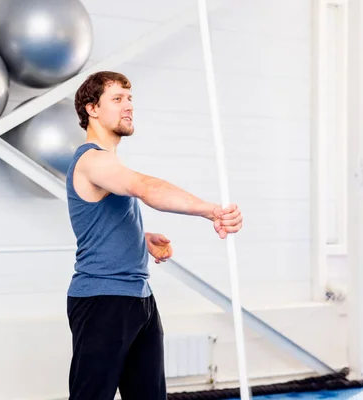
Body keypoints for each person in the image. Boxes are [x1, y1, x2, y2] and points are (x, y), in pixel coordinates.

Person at [65, 71, 243, 400]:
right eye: (117, 99)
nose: (128, 106)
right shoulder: (92, 160)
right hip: (103, 300)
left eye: (130, 99)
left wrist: (140, 239)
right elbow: (147, 188)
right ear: (92, 109)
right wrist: (210, 210)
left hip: (138, 298)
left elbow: (99, 220)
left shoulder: (111, 164)